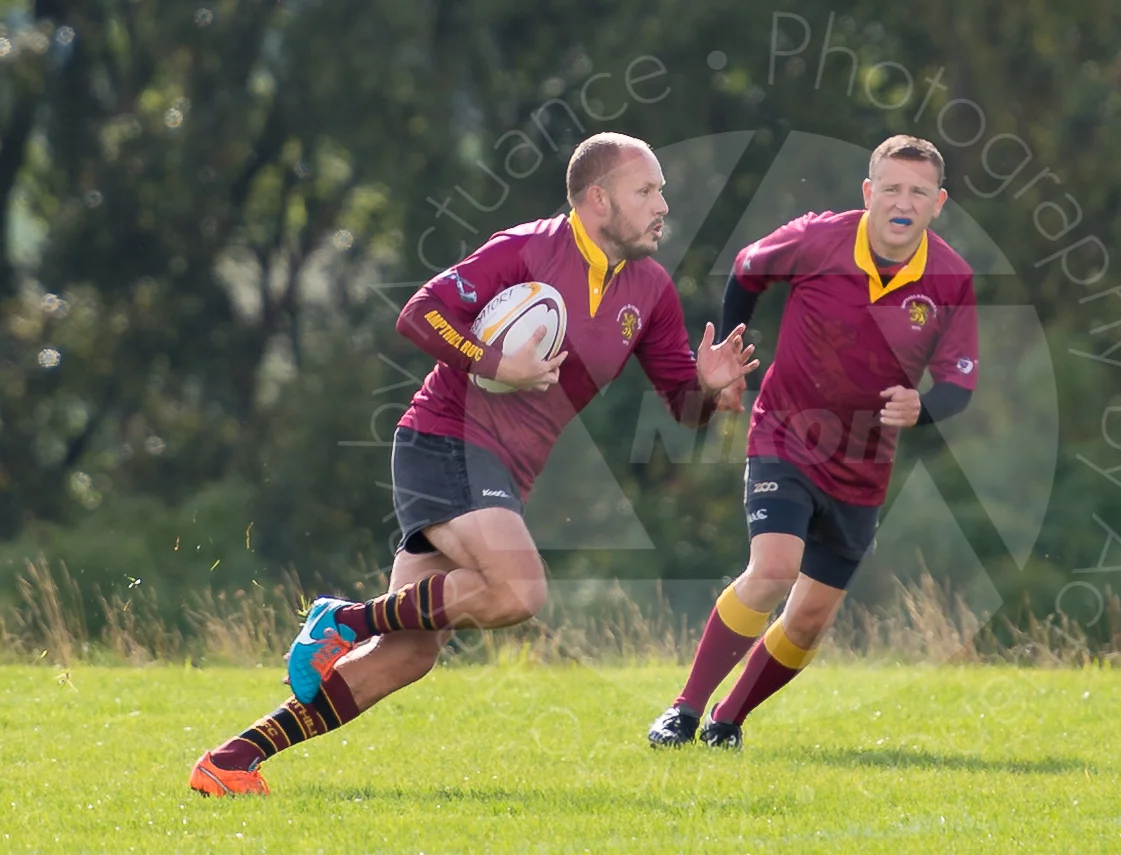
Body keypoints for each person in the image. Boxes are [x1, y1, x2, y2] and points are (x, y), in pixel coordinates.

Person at [188, 131, 759, 796]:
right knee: (520, 591)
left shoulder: (651, 289)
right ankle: (345, 619)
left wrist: (708, 392)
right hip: (445, 441)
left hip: (503, 473)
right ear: (599, 200)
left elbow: (681, 404)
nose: (663, 205)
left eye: (661, 191)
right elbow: (419, 313)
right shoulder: (526, 249)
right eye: (647, 191)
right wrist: (496, 363)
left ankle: (231, 760)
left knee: (409, 652)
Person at [646, 135, 980, 749]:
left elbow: (959, 382)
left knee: (808, 620)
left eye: (918, 192)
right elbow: (747, 270)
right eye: (891, 188)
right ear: (868, 193)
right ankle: (683, 711)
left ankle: (726, 721)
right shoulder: (819, 238)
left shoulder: (952, 277)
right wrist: (731, 358)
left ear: (938, 203)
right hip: (787, 434)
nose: (903, 202)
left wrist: (923, 408)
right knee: (774, 569)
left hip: (864, 464)